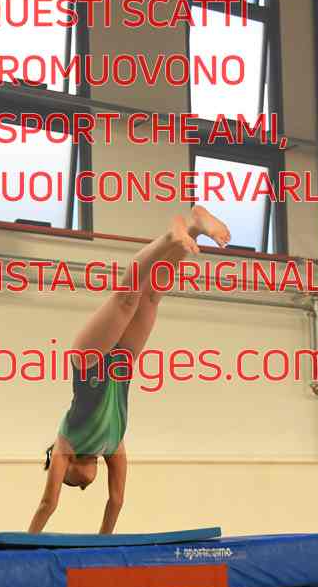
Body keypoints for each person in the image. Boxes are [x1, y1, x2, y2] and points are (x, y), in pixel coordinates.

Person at [28, 205, 231, 534]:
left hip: (89, 362)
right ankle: (193, 228)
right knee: (150, 297)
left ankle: (170, 236)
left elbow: (47, 504)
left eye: (75, 484)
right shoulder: (113, 445)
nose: (84, 486)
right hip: (121, 365)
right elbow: (117, 501)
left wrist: (24, 546)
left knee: (126, 299)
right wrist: (104, 543)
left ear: (66, 468)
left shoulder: (66, 445)